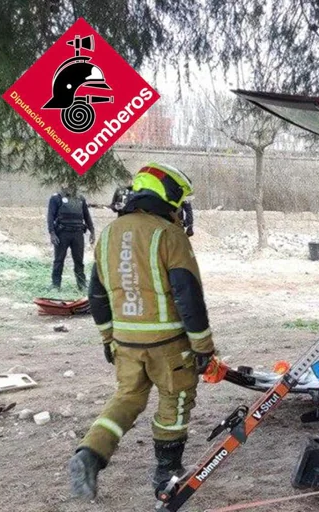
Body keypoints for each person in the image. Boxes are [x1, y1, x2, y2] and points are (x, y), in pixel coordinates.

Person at [69, 162, 216, 500]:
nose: (181, 208)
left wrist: (108, 338)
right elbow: (187, 294)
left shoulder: (108, 234)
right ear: (167, 194)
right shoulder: (169, 234)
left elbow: (97, 294)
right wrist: (203, 346)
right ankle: (167, 471)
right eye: (180, 199)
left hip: (125, 342)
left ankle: (89, 454)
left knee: (126, 398)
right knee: (175, 400)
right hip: (168, 345)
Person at [47, 182, 95, 291]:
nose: (69, 186)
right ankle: (55, 285)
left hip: (77, 234)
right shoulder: (56, 198)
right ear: (62, 184)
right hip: (62, 234)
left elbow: (87, 216)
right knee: (59, 260)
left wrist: (92, 231)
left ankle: (82, 285)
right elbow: (50, 217)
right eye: (66, 183)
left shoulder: (80, 198)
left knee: (79, 261)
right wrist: (52, 233)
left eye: (72, 183)